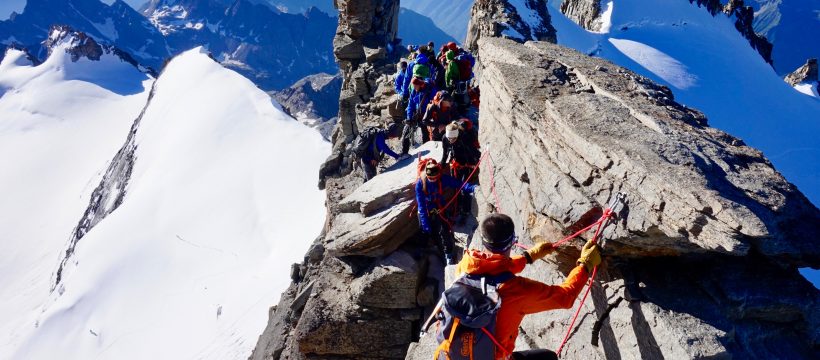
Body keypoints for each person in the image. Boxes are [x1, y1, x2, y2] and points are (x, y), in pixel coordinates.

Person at [453, 213, 602, 359]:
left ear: (483, 241)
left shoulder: (465, 266)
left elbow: (492, 269)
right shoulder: (516, 291)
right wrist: (585, 264)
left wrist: (528, 257)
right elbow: (565, 297)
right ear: (512, 241)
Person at [415, 160, 476, 265]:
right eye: (431, 178)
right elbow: (421, 206)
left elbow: (459, 184)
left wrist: (472, 188)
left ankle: (448, 255)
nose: (433, 180)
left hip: (439, 207)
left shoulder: (442, 178)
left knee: (444, 231)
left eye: (435, 178)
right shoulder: (420, 183)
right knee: (424, 231)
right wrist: (425, 224)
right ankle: (421, 248)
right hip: (425, 209)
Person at [440, 121, 481, 221]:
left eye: (453, 138)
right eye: (449, 138)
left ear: (457, 135)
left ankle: (465, 211)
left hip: (466, 164)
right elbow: (445, 153)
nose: (450, 140)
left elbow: (473, 151)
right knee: (456, 187)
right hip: (454, 164)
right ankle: (457, 206)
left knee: (464, 188)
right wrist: (441, 165)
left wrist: (476, 162)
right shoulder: (445, 138)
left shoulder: (464, 138)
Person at [401, 76, 437, 155]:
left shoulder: (430, 90)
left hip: (427, 116)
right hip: (416, 114)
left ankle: (427, 149)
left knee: (425, 132)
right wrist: (409, 117)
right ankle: (404, 153)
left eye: (415, 86)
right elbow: (410, 104)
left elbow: (435, 103)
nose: (414, 88)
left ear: (420, 85)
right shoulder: (414, 91)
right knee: (407, 130)